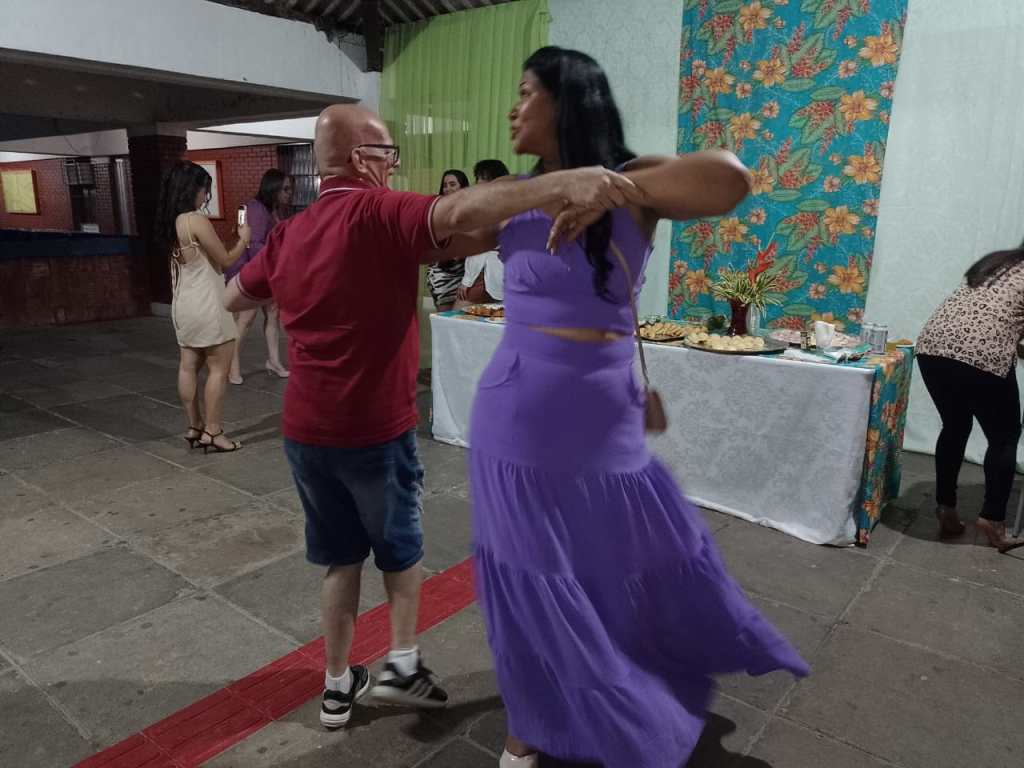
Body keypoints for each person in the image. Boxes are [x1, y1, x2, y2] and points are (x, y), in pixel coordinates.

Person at [444, 47, 810, 767]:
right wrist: (542, 189)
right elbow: (444, 227)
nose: (513, 108)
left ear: (567, 100)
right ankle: (527, 727)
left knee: (615, 568)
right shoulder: (517, 193)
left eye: (526, 92)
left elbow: (730, 179)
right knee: (531, 577)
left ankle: (613, 686)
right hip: (518, 416)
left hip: (603, 415)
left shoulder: (636, 181)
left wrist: (607, 190)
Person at [223, 103, 641, 730]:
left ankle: (336, 687)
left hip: (307, 431)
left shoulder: (291, 232)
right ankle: (401, 665)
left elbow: (235, 295)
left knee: (341, 559)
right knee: (399, 551)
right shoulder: (375, 210)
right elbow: (455, 212)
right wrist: (561, 182)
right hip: (373, 428)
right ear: (362, 158)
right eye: (388, 154)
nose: (394, 166)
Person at [916, 244, 1024, 551]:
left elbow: (1000, 318)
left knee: (955, 425)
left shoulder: (998, 262)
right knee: (1004, 437)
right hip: (981, 354)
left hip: (933, 345)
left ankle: (946, 507)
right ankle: (994, 520)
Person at [156, 160, 250, 453]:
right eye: (204, 189)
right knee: (219, 368)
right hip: (207, 303)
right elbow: (226, 261)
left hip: (183, 304)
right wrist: (244, 240)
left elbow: (207, 258)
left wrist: (231, 240)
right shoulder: (195, 220)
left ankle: (194, 426)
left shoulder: (171, 221)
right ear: (192, 189)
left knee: (188, 366)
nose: (205, 195)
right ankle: (214, 431)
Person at [225, 169, 294, 384]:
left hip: (265, 270)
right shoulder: (255, 208)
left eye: (290, 189)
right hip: (250, 270)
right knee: (246, 319)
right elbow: (253, 244)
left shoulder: (271, 209)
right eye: (285, 189)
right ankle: (232, 366)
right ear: (273, 188)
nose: (289, 193)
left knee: (272, 314)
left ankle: (274, 361)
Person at [454, 160, 510, 309]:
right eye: (478, 177)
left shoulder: (511, 206)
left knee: (498, 321)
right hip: (477, 273)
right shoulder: (476, 207)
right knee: (457, 315)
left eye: (484, 178)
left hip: (502, 274)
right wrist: (467, 280)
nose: (479, 182)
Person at [426, 169, 470, 312]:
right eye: (445, 185)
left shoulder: (470, 209)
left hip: (464, 273)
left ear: (463, 187)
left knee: (459, 319)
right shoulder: (437, 209)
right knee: (444, 318)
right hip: (442, 274)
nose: (448, 189)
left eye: (452, 184)